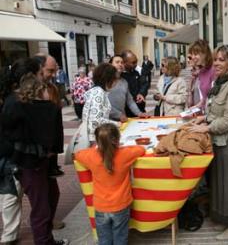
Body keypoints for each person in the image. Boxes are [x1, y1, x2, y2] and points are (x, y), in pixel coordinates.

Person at [188, 45, 228, 241]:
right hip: (218, 141)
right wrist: (203, 119)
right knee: (220, 184)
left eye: (222, 59)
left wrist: (206, 127)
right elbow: (214, 112)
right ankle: (224, 218)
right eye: (215, 59)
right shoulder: (220, 83)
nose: (216, 63)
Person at [2, 73, 68, 245]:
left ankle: (46, 239)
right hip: (31, 165)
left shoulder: (20, 106)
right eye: (45, 89)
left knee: (49, 199)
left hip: (35, 163)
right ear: (39, 91)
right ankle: (44, 241)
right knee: (41, 208)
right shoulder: (34, 109)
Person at [74, 123, 145, 245]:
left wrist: (95, 149)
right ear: (117, 139)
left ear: (97, 141)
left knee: (104, 239)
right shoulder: (125, 155)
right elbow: (141, 149)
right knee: (120, 237)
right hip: (121, 205)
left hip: (101, 206)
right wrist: (121, 148)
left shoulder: (91, 156)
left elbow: (77, 154)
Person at [0, 58, 43, 245]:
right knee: (12, 195)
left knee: (11, 196)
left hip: (13, 155)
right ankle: (11, 236)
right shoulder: (16, 102)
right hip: (15, 156)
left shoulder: (13, 99)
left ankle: (10, 235)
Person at [82, 63, 120, 144]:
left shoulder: (99, 91)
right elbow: (96, 119)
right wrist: (116, 124)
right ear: (108, 79)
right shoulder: (98, 93)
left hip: (97, 136)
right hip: (94, 138)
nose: (116, 82)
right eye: (115, 79)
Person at [108, 55, 147, 122]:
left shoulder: (124, 82)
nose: (120, 64)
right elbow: (102, 104)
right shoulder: (103, 81)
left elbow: (130, 101)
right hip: (107, 121)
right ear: (110, 65)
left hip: (122, 121)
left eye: (122, 62)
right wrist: (118, 114)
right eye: (117, 62)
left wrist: (139, 113)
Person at [187, 40, 216, 112]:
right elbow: (204, 98)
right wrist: (193, 109)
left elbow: (215, 98)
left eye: (196, 54)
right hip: (205, 113)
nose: (193, 57)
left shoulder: (214, 70)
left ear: (205, 54)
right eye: (192, 54)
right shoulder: (202, 71)